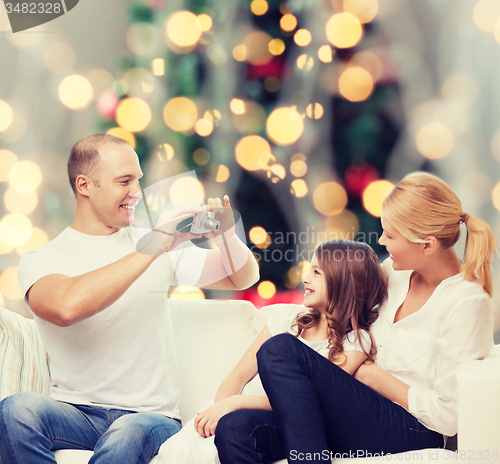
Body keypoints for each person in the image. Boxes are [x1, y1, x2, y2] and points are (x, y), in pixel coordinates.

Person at [0, 134, 259, 464]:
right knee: (16, 410)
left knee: (125, 436)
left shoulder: (157, 243)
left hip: (150, 419)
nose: (136, 192)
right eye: (124, 181)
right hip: (76, 413)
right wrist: (154, 246)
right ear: (85, 185)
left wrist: (226, 236)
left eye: (138, 180)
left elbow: (244, 276)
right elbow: (65, 307)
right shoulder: (43, 259)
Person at [215, 172, 496, 463]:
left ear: (426, 245)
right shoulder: (394, 273)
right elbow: (343, 296)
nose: (382, 241)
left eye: (391, 235)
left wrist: (375, 377)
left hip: (411, 428)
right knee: (234, 429)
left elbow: (448, 417)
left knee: (279, 350)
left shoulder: (467, 304)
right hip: (353, 408)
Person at [157, 239, 388, 464]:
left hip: (282, 422)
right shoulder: (288, 319)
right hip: (238, 410)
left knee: (236, 429)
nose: (305, 278)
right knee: (193, 447)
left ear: (343, 282)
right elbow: (238, 375)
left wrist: (236, 404)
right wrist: (220, 409)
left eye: (317, 273)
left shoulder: (356, 342)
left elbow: (306, 401)